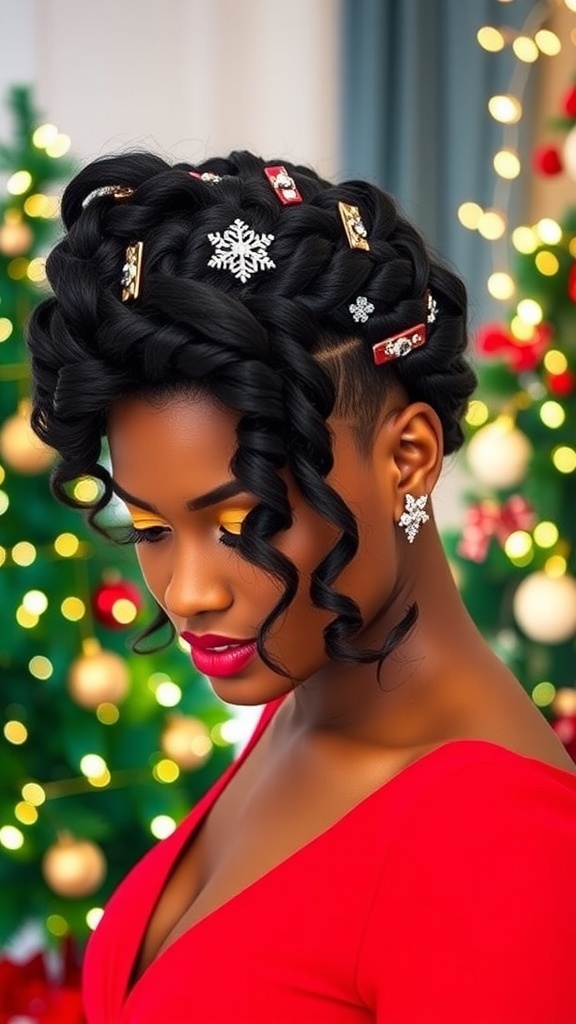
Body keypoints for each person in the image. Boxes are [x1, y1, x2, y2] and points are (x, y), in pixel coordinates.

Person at [27, 150, 576, 1024]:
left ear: (410, 457)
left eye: (243, 523)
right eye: (152, 529)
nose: (189, 592)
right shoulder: (307, 697)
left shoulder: (499, 847)